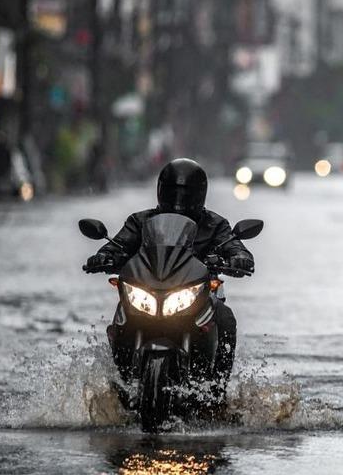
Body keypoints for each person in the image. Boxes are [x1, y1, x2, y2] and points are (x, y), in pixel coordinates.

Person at [83, 158, 254, 400]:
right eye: (173, 191)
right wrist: (104, 256)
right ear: (161, 190)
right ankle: (121, 379)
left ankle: (217, 394)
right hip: (148, 291)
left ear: (200, 194)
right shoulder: (140, 221)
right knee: (122, 314)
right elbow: (119, 244)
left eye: (186, 193)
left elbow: (236, 247)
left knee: (225, 319)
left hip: (197, 297)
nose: (179, 198)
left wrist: (239, 259)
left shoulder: (215, 225)